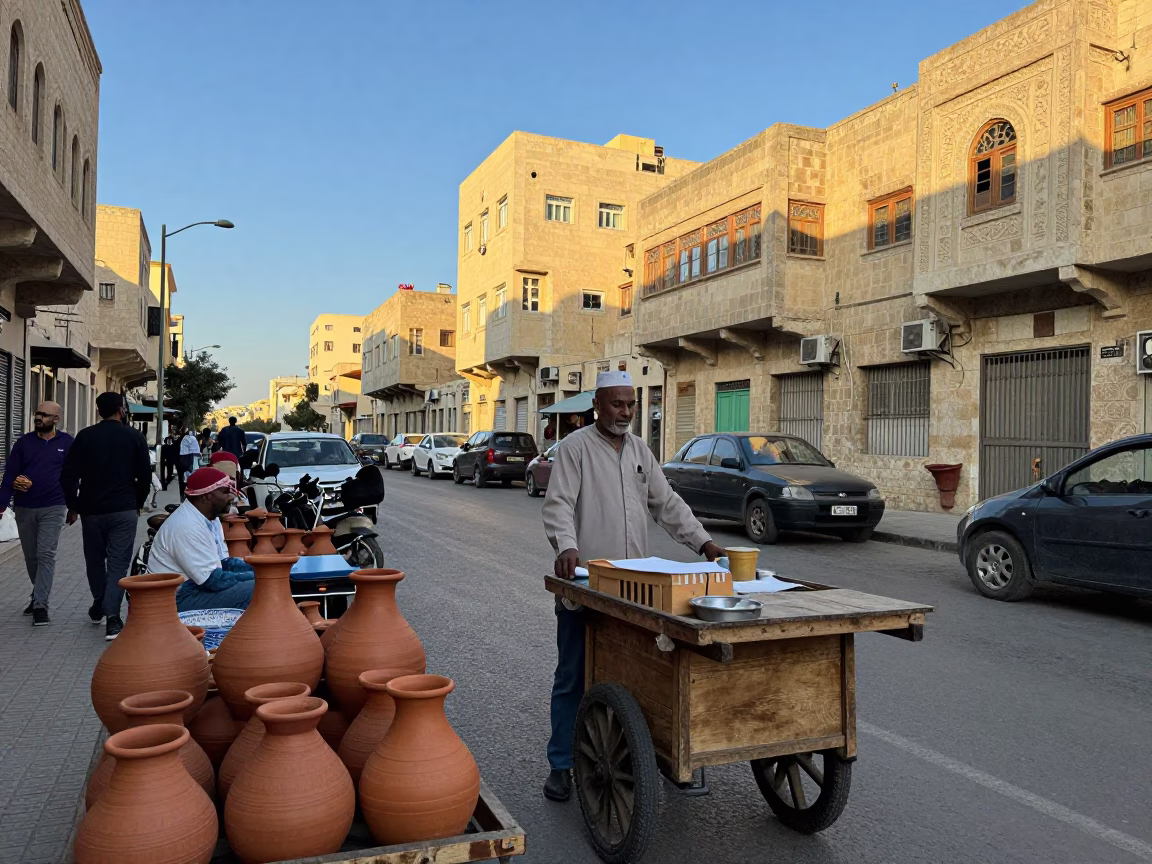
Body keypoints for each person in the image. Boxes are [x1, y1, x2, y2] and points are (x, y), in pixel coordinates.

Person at [540, 370, 724, 803]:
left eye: (631, 404)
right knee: (573, 675)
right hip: (586, 587)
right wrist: (567, 546)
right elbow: (559, 504)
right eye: (617, 404)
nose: (625, 412)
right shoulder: (574, 449)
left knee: (639, 677)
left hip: (634, 591)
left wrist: (705, 543)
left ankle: (633, 757)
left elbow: (667, 504)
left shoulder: (641, 450)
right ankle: (561, 765)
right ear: (598, 405)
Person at [61, 392, 152, 640]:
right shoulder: (134, 436)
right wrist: (138, 503)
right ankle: (112, 617)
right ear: (121, 409)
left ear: (99, 410)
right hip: (124, 509)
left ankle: (100, 602)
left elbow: (68, 476)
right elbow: (145, 476)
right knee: (118, 563)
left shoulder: (86, 436)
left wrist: (74, 505)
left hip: (91, 510)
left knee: (94, 560)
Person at [0, 402, 73, 625]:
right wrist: (2, 505)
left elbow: (73, 477)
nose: (39, 417)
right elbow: (10, 475)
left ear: (56, 419)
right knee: (31, 557)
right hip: (25, 507)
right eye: (38, 414)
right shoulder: (23, 443)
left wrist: (74, 507)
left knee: (46, 555)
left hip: (54, 506)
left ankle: (41, 605)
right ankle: (37, 594)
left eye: (44, 415)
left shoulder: (68, 443)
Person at [148, 467, 254, 611]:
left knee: (265, 582)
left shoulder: (211, 519)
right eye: (225, 492)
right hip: (174, 602)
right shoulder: (186, 526)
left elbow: (223, 563)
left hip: (195, 588)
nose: (232, 497)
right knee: (260, 589)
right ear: (206, 497)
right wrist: (259, 578)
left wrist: (261, 571)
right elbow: (214, 581)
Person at [177, 427, 200, 500]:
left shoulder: (181, 439)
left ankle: (183, 497)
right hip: (190, 460)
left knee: (183, 480)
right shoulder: (193, 439)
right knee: (190, 478)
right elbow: (197, 452)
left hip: (182, 460)